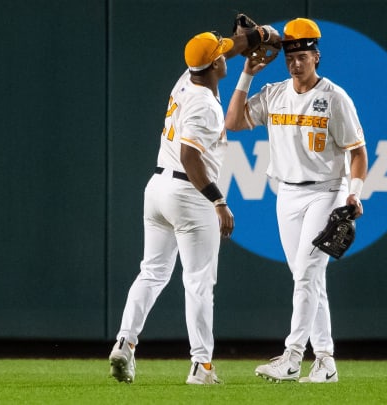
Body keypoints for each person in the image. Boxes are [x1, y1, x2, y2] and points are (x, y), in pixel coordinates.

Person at [225, 18, 368, 384]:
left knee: (306, 274)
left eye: (302, 55)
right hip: (286, 193)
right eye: (291, 56)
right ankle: (325, 362)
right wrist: (246, 74)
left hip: (326, 191)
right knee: (308, 278)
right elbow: (234, 122)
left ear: (316, 56)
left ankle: (291, 357)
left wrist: (355, 193)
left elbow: (357, 152)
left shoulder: (334, 98)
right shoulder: (274, 93)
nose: (295, 62)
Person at [109, 30, 250, 385]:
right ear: (215, 63)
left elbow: (226, 49)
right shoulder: (204, 104)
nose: (224, 55)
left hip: (157, 188)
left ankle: (125, 343)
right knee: (199, 282)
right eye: (220, 54)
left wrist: (257, 36)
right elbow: (190, 157)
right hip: (189, 193)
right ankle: (201, 366)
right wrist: (218, 199)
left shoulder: (187, 76)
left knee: (152, 272)